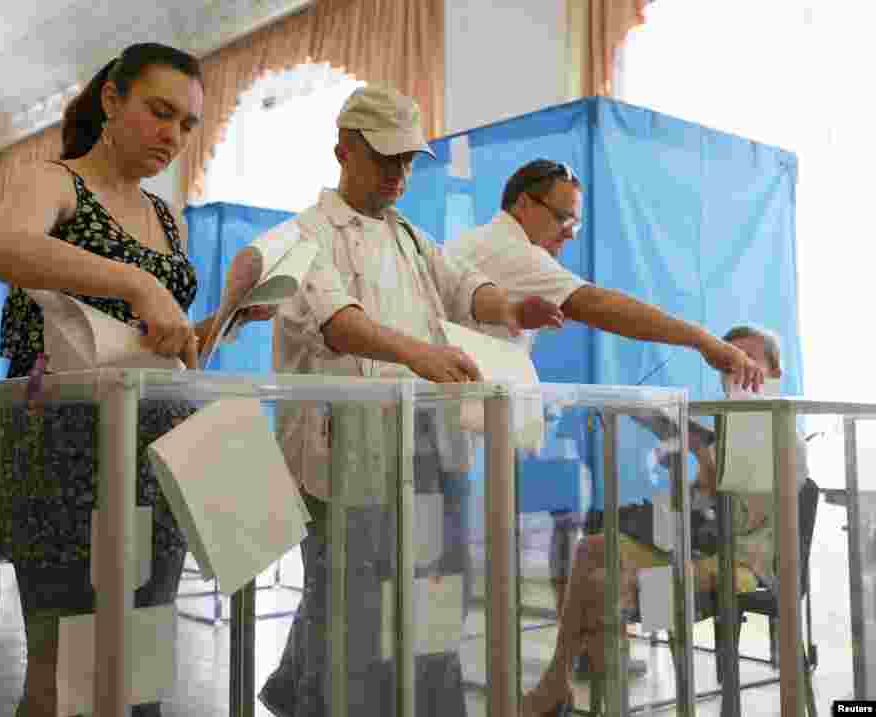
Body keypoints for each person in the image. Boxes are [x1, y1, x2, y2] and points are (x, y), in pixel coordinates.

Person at [0, 43, 271, 717]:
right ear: (112, 99)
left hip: (154, 449)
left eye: (188, 125)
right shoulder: (56, 182)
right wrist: (137, 282)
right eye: (159, 112)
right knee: (63, 669)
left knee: (137, 656)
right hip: (64, 446)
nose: (173, 135)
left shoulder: (169, 218)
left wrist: (217, 324)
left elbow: (160, 345)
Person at [258, 84, 568, 717]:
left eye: (407, 160)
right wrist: (418, 355)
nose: (400, 173)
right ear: (344, 149)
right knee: (349, 605)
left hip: (425, 448)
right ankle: (324, 704)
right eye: (386, 158)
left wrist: (511, 306)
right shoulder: (303, 235)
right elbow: (336, 320)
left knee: (432, 596)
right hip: (344, 452)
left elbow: (463, 289)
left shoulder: (411, 238)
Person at [442, 158, 765, 667]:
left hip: (739, 549)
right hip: (690, 529)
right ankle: (586, 665)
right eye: (562, 218)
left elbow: (751, 516)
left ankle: (626, 665)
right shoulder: (506, 250)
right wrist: (698, 353)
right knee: (592, 549)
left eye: (577, 223)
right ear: (523, 204)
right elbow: (595, 303)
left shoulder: (774, 428)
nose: (569, 234)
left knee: (631, 563)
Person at [520, 325, 804, 716]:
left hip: (746, 562)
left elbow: (738, 522)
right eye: (729, 359)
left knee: (606, 584)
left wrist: (705, 461)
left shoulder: (781, 430)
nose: (737, 366)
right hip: (701, 546)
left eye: (749, 358)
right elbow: (696, 513)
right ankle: (560, 679)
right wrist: (684, 463)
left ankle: (577, 689)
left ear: (775, 373)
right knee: (591, 548)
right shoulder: (723, 429)